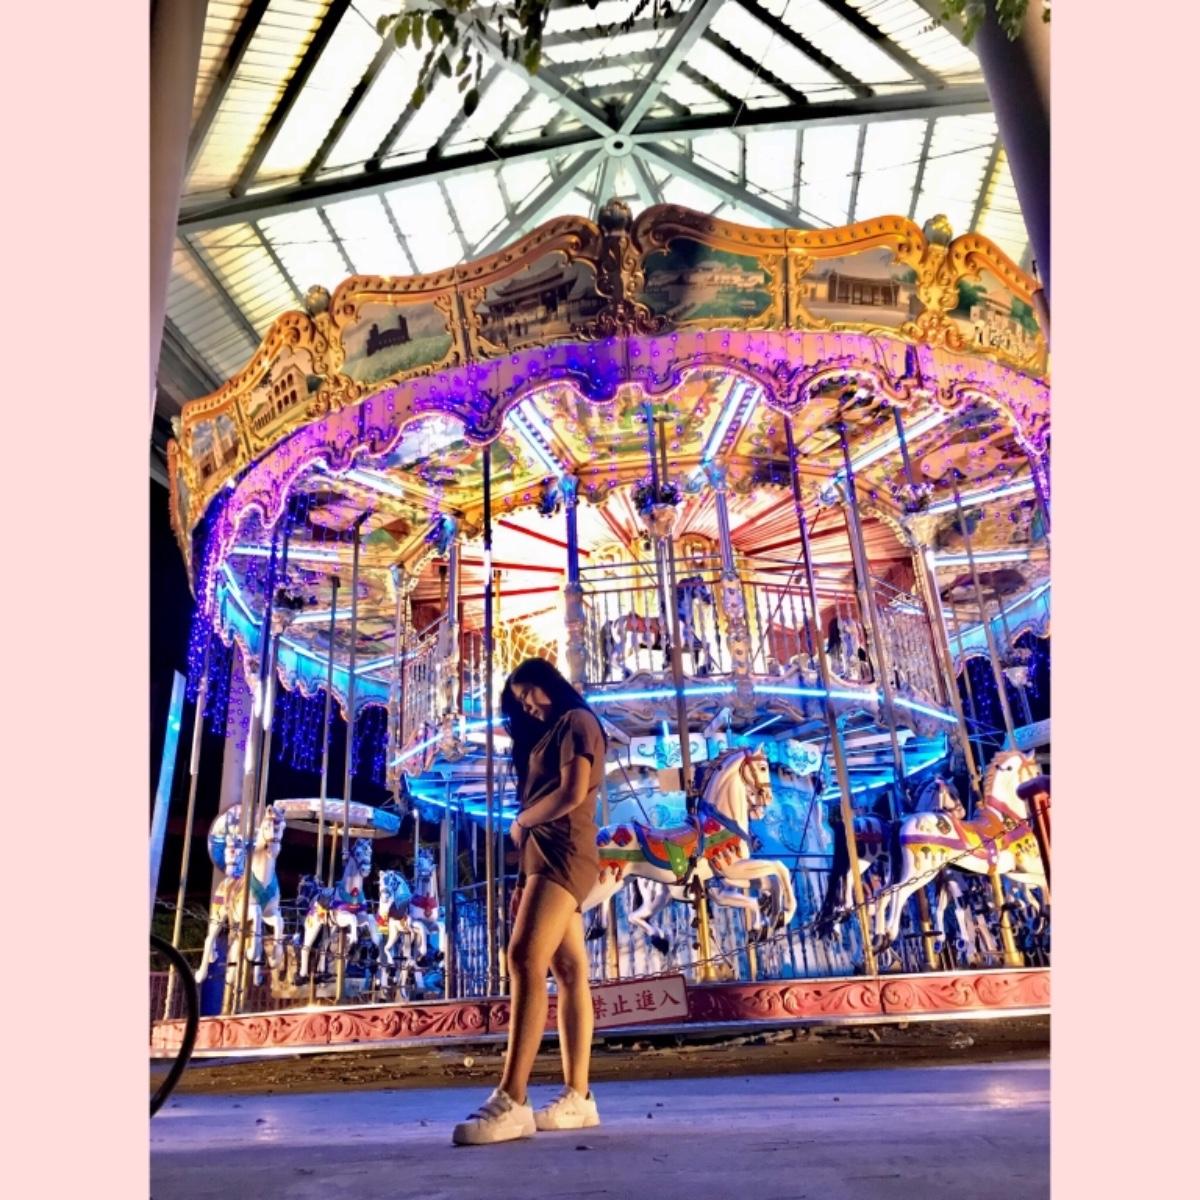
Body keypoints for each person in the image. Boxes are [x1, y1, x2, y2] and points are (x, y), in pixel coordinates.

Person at [452, 657, 607, 1146]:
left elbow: (571, 792)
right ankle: (579, 1096)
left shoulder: (577, 721)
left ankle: (512, 1097)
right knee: (569, 971)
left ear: (548, 684)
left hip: (566, 851)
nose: (527, 706)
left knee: (523, 958)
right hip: (544, 859)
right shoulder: (544, 737)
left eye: (529, 694)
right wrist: (523, 875)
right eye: (518, 702)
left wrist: (521, 822)